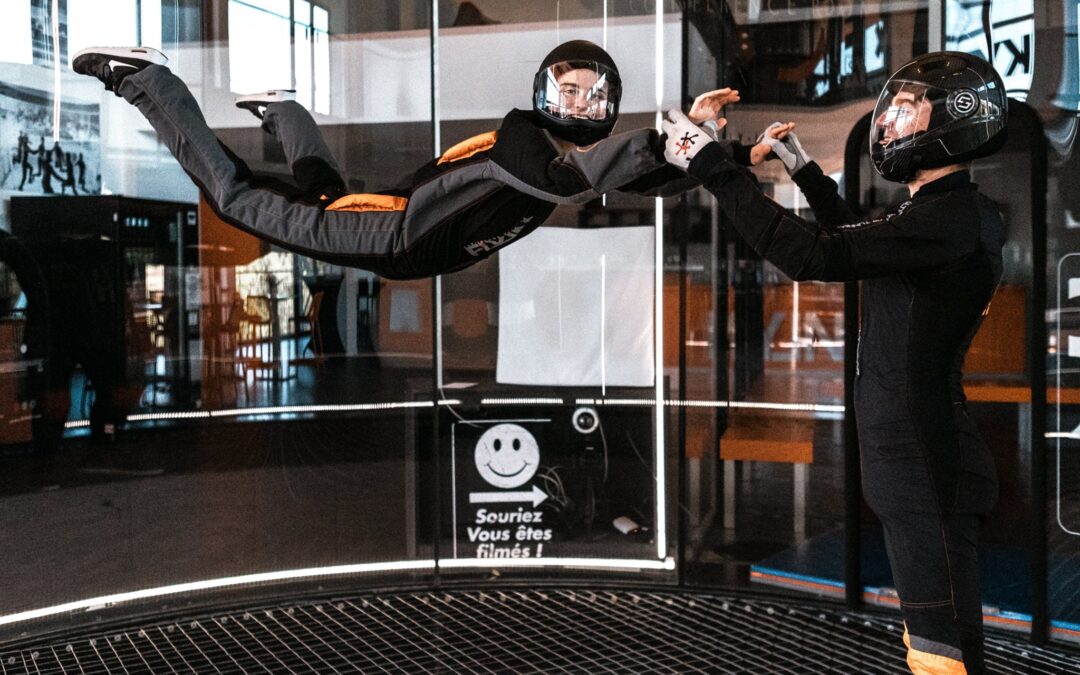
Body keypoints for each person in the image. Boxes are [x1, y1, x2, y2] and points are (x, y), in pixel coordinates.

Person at [662, 52, 1007, 674]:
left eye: (908, 108)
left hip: (926, 463)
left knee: (942, 649)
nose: (890, 123)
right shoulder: (933, 214)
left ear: (957, 118)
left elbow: (813, 254)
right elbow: (854, 234)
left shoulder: (950, 217)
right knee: (933, 639)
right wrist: (800, 168)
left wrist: (713, 165)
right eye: (893, 108)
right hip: (915, 460)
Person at [71, 41, 745, 279]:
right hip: (391, 231)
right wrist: (677, 131)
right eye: (564, 88)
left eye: (586, 92)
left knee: (322, 195)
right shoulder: (527, 142)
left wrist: (713, 149)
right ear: (543, 94)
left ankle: (284, 111)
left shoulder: (573, 161)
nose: (575, 100)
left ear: (605, 102)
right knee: (239, 200)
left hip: (397, 238)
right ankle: (145, 79)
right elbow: (575, 184)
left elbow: (642, 181)